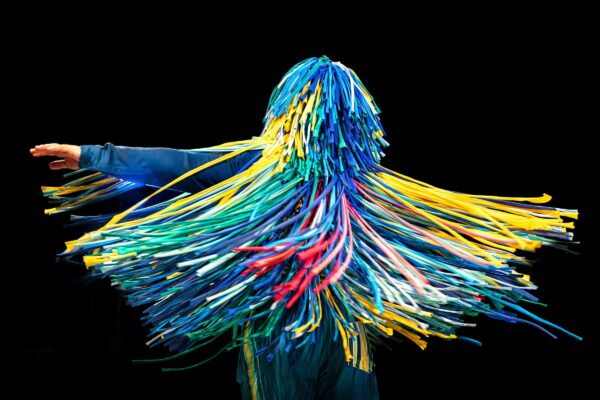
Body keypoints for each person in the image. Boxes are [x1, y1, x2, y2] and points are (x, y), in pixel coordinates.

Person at [31, 56, 579, 400]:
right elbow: (457, 225)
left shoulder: (338, 178)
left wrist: (88, 154)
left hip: (294, 334)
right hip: (330, 333)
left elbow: (172, 162)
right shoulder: (357, 181)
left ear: (286, 112)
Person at [30, 141, 381, 399]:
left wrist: (93, 156)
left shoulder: (261, 166)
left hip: (283, 327)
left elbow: (178, 164)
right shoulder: (369, 185)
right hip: (343, 333)